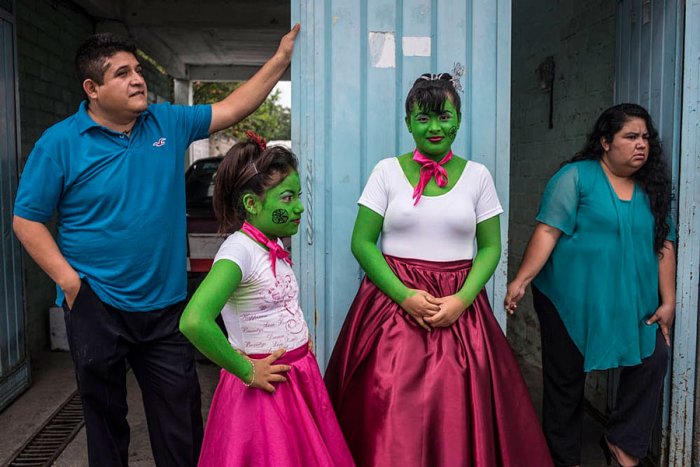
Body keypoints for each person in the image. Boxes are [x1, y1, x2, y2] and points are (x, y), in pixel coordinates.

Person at [12, 26, 299, 467]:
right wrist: (72, 286)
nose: (137, 79)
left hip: (166, 309)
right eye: (122, 73)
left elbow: (233, 106)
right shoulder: (59, 144)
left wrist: (281, 59)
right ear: (92, 88)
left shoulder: (166, 121)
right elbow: (26, 219)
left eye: (138, 69)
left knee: (180, 424)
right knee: (105, 425)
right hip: (96, 305)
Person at [324, 73, 553, 467]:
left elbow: (491, 247)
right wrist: (405, 296)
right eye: (423, 118)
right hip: (392, 305)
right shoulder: (385, 172)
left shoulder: (478, 176)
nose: (434, 127)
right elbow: (361, 243)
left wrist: (463, 299)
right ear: (408, 122)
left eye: (443, 117)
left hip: (460, 304)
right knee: (389, 409)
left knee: (461, 408)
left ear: (458, 120)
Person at [505, 103, 676, 467]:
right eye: (630, 137)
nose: (641, 144)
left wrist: (669, 300)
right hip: (569, 299)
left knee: (654, 358)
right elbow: (549, 230)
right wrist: (522, 279)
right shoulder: (576, 177)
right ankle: (563, 460)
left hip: (631, 301)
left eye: (645, 137)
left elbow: (664, 245)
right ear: (605, 141)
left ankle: (622, 443)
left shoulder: (653, 189)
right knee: (565, 381)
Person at [179, 134, 354, 467]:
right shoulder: (239, 251)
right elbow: (193, 320)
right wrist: (246, 370)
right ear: (252, 204)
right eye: (287, 198)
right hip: (264, 394)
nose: (299, 207)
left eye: (299, 196)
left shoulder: (269, 245)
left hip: (299, 380)